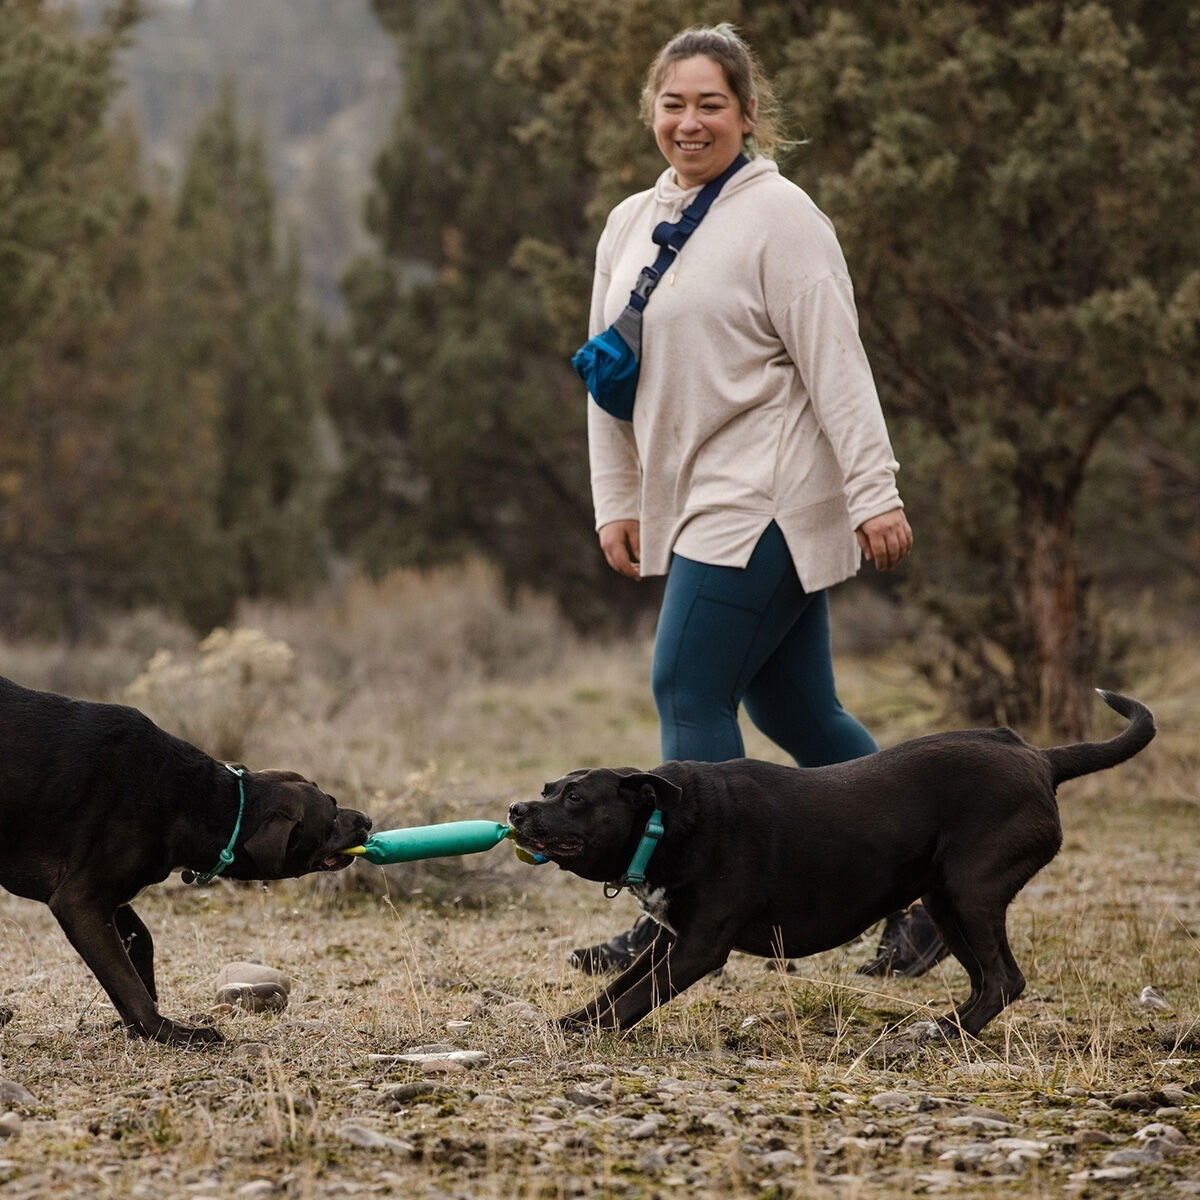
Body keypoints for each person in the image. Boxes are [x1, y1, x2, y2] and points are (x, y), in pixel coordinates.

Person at [569, 24, 946, 978]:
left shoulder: (783, 218)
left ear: (746, 114)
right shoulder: (629, 223)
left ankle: (684, 917)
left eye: (711, 104)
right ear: (652, 110)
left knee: (686, 687)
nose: (689, 122)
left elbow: (837, 363)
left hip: (769, 491)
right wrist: (618, 497)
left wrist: (875, 489)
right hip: (693, 493)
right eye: (673, 103)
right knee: (805, 716)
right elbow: (609, 374)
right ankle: (928, 894)